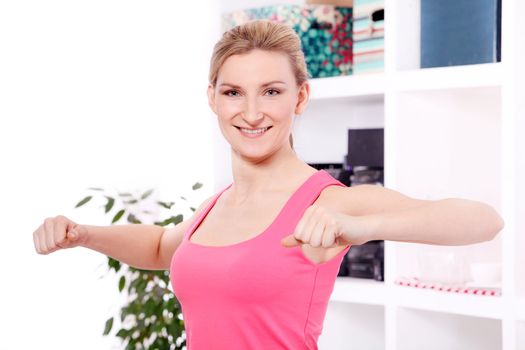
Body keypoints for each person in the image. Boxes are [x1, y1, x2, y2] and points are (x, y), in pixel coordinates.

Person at [32, 19, 504, 350]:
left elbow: (484, 221)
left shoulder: (329, 200)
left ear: (300, 97)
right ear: (212, 99)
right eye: (233, 92)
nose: (252, 113)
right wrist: (84, 235)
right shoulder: (216, 204)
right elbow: (159, 247)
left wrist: (360, 226)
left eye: (272, 92)